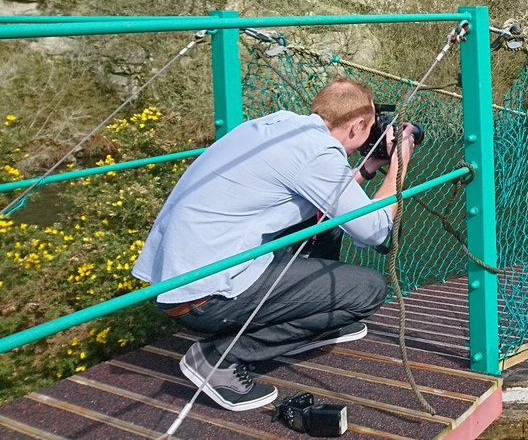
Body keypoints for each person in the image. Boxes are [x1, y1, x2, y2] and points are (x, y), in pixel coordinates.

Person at [132, 78, 416, 412]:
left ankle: (319, 320)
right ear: (356, 126)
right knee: (369, 289)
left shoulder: (279, 125)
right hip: (206, 300)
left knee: (328, 224)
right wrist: (399, 162)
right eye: (368, 133)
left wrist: (367, 168)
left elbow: (332, 197)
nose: (366, 141)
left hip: (177, 283)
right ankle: (218, 359)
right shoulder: (316, 153)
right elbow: (375, 232)